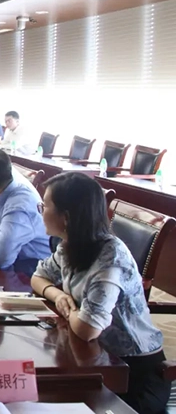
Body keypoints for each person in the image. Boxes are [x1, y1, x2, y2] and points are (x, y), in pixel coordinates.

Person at [31, 172, 169, 414]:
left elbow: (88, 328)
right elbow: (38, 277)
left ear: (66, 217)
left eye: (45, 206)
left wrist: (71, 311)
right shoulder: (71, 244)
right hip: (94, 357)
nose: (41, 211)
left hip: (133, 374)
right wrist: (59, 296)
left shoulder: (110, 258)